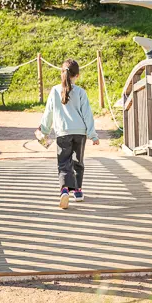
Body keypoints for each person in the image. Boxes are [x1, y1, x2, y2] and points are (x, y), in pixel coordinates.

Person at [38, 59, 99, 209]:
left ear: (62, 73)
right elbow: (87, 115)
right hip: (80, 133)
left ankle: (65, 190)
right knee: (78, 162)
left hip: (62, 133)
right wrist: (92, 134)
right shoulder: (81, 92)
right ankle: (78, 191)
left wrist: (44, 130)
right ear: (77, 75)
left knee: (64, 162)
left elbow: (48, 113)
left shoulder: (54, 91)